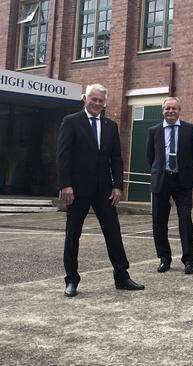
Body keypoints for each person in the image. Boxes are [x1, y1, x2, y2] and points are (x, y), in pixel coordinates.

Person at [56, 83, 144, 297]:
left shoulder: (110, 126)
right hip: (77, 190)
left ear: (104, 103)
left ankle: (122, 277)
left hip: (104, 190)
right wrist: (65, 184)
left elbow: (116, 159)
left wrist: (117, 186)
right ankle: (71, 280)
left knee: (113, 232)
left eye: (100, 100)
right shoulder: (71, 122)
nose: (96, 103)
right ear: (85, 98)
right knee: (72, 234)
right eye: (93, 99)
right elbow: (63, 156)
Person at [146, 97, 193, 275]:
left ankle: (188, 260)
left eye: (174, 108)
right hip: (161, 180)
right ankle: (164, 258)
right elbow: (150, 157)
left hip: (182, 180)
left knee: (185, 219)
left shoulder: (189, 129)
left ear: (179, 110)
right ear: (162, 111)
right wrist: (161, 170)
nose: (170, 111)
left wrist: (183, 168)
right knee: (158, 221)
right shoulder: (154, 131)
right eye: (167, 108)